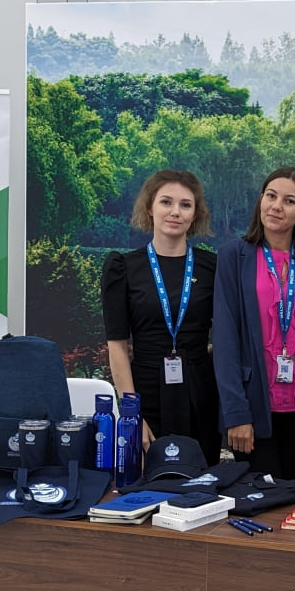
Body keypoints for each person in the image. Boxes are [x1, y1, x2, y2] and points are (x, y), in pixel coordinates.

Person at [213, 167, 295, 483]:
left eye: (289, 201)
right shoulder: (234, 256)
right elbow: (225, 339)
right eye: (271, 196)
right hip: (253, 411)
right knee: (260, 500)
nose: (277, 206)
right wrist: (236, 413)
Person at [101, 170, 221, 465]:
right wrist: (131, 415)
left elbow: (228, 336)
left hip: (200, 396)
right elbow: (117, 346)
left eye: (185, 205)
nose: (175, 212)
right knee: (147, 481)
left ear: (195, 214)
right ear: (149, 208)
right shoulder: (123, 267)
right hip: (145, 396)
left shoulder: (213, 267)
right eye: (166, 202)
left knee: (200, 482)